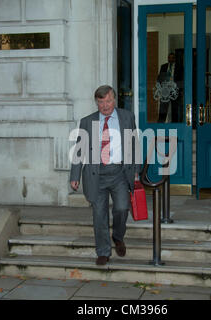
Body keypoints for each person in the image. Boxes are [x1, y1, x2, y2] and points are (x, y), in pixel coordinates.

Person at [70, 85, 140, 266]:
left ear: (114, 100)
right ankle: (103, 251)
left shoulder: (127, 117)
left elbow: (134, 144)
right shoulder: (87, 121)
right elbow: (79, 150)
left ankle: (118, 236)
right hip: (96, 175)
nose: (105, 105)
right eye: (101, 102)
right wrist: (74, 175)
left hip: (119, 173)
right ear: (97, 103)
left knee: (122, 208)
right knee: (99, 215)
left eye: (108, 101)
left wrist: (136, 171)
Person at [157, 53, 184, 123]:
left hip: (174, 91)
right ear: (168, 58)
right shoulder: (163, 67)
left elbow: (182, 80)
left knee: (175, 110)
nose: (171, 59)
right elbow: (159, 78)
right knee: (163, 110)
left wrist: (177, 88)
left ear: (175, 59)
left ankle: (175, 126)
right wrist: (161, 88)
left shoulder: (180, 67)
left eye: (172, 58)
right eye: (169, 58)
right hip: (165, 91)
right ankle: (160, 125)